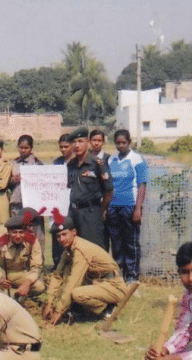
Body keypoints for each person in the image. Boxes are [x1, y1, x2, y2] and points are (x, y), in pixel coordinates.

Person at [42, 214, 127, 326]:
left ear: (74, 232)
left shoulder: (80, 249)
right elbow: (57, 276)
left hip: (114, 286)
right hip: (99, 283)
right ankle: (79, 309)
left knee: (76, 293)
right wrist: (50, 302)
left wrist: (59, 311)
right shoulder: (68, 249)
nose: (61, 239)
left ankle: (108, 309)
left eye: (64, 234)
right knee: (66, 272)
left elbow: (74, 282)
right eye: (58, 236)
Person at [106, 130, 147, 283]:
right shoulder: (111, 160)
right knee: (116, 242)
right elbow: (108, 185)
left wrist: (138, 208)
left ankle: (132, 277)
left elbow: (142, 185)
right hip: (113, 207)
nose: (121, 146)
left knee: (131, 243)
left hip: (129, 206)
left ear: (129, 142)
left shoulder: (137, 159)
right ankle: (118, 276)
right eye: (118, 143)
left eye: (124, 143)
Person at [66, 126, 113, 250]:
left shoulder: (97, 163)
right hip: (74, 212)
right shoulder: (71, 164)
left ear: (87, 142)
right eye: (74, 142)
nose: (77, 145)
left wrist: (101, 209)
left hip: (91, 212)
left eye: (80, 141)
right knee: (75, 247)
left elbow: (109, 190)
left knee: (93, 248)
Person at [0, 214, 45, 303]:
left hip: (19, 274)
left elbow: (36, 267)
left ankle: (18, 295)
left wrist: (27, 283)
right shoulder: (0, 241)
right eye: (14, 232)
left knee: (39, 287)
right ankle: (2, 297)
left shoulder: (32, 241)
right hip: (2, 273)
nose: (18, 236)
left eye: (21, 232)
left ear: (26, 232)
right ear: (8, 231)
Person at [7, 135, 45, 245]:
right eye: (21, 147)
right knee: (18, 234)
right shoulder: (13, 163)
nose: (23, 150)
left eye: (26, 148)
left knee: (35, 235)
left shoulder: (37, 164)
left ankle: (37, 261)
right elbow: (7, 184)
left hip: (32, 205)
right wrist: (13, 180)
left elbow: (45, 183)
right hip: (17, 204)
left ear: (31, 148)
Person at [50, 134, 74, 266]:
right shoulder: (56, 162)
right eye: (61, 147)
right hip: (58, 203)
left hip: (72, 204)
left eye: (66, 146)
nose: (64, 149)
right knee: (57, 233)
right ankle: (57, 264)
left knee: (70, 234)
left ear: (72, 146)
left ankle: (71, 264)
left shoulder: (76, 162)